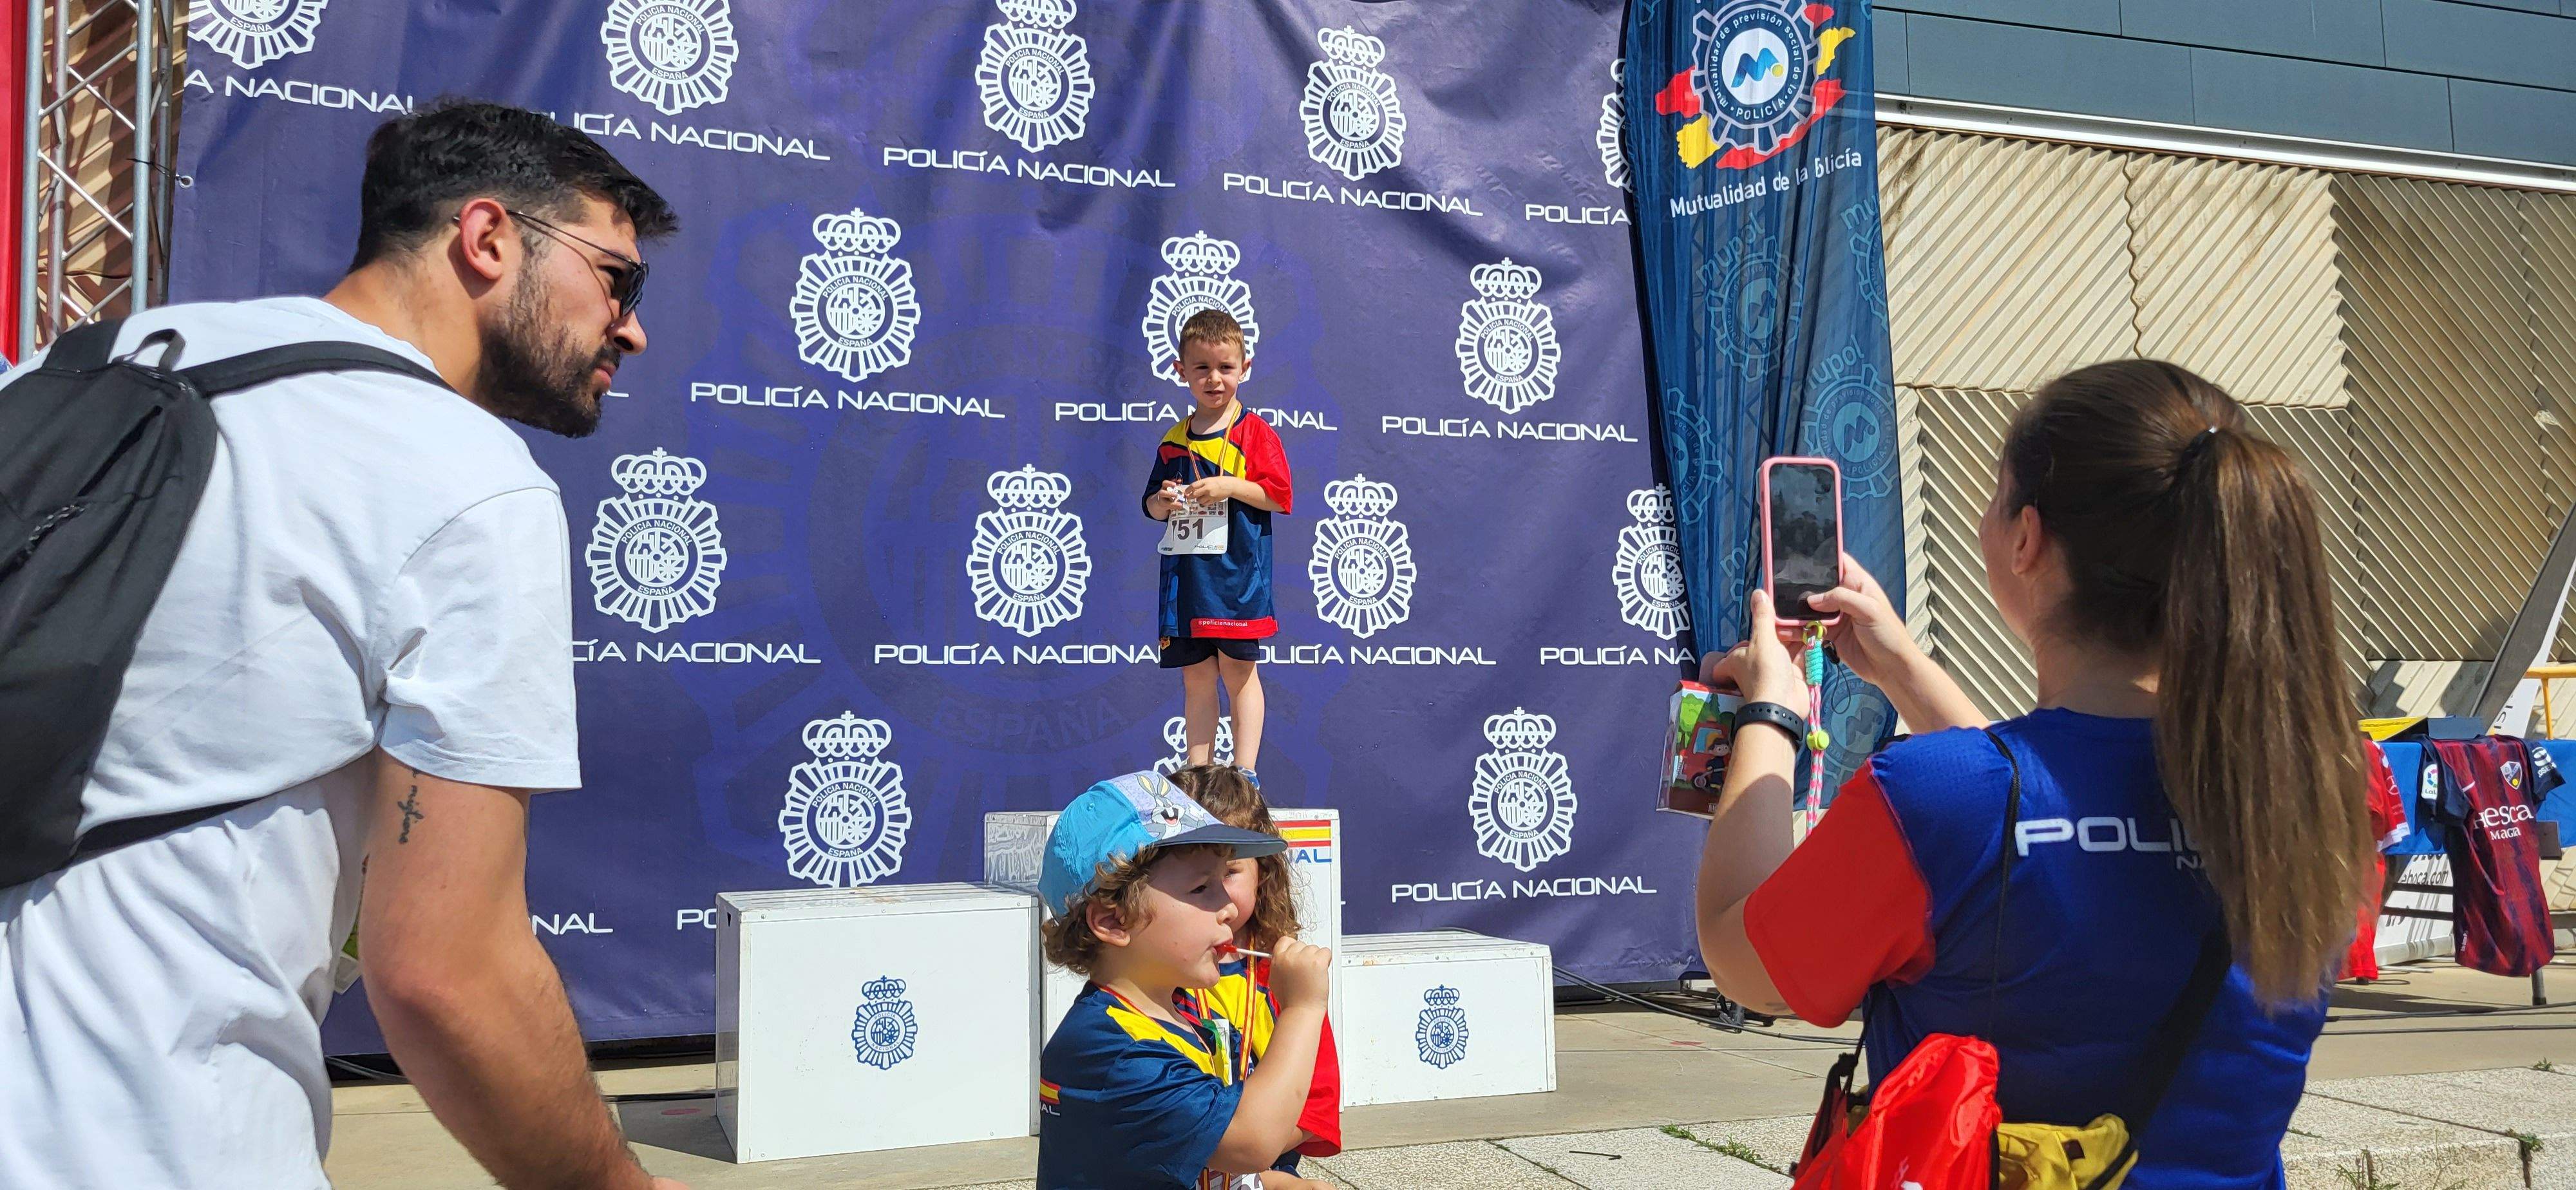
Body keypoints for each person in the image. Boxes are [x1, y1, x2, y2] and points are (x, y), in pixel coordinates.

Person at [0, 100, 685, 1189]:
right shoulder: (465, 477)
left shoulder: (66, 372)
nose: (633, 326)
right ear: (489, 238)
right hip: (170, 1134)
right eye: (617, 277)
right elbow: (448, 975)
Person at [1692, 360, 2374, 1187]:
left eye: (1994, 498)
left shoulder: (1932, 798)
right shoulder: (2320, 792)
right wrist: (1904, 668)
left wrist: (1773, 710)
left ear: (2026, 538)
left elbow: (1743, 961)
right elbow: (2040, 824)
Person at [1036, 771, 1334, 1189]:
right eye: (1201, 888)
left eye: (1225, 880)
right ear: (1113, 920)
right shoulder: (1114, 1049)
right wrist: (1303, 1008)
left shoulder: (1168, 1017)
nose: (1229, 907)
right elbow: (1250, 1142)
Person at [1167, 763, 1343, 1184]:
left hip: (1266, 1162)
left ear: (1264, 872)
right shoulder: (1152, 973)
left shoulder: (1284, 977)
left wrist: (1244, 1157)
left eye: (1230, 873)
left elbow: (1317, 1107)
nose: (1217, 900)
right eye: (1195, 881)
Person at [1143, 308, 1293, 784]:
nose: (1214, 379)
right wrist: (1164, 502)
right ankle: (1199, 773)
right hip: (1187, 584)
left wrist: (1229, 485)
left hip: (1236, 582)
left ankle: (1245, 771)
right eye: (1202, 368)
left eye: (1226, 368)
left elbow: (1279, 495)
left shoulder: (1256, 433)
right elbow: (1149, 506)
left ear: (1244, 369)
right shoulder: (1172, 440)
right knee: (1196, 679)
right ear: (1180, 371)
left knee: (1239, 673)